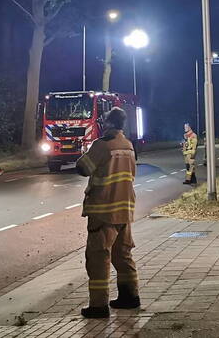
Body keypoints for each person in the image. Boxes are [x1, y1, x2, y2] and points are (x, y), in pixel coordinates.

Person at [75, 107, 140, 319]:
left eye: (103, 121)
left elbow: (83, 168)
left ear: (109, 123)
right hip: (124, 209)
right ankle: (130, 297)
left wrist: (86, 151)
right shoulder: (128, 145)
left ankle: (98, 306)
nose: (102, 124)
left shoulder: (102, 145)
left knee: (98, 257)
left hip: (103, 211)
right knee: (123, 254)